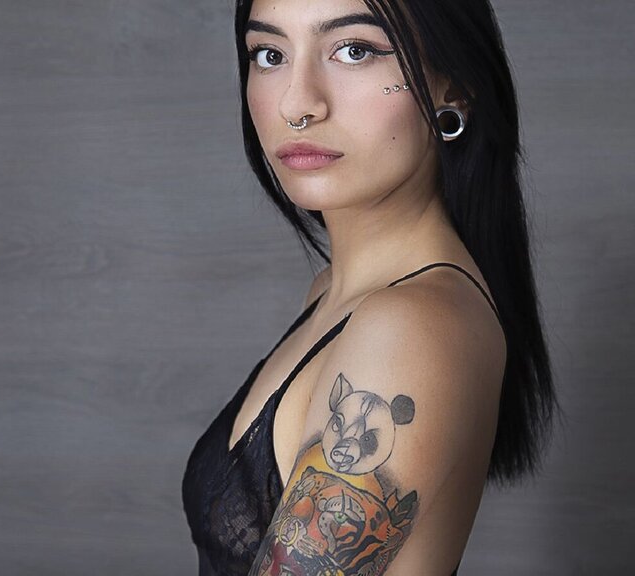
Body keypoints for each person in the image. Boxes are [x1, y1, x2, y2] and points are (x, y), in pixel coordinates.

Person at [182, 0, 561, 573]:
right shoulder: (335, 294)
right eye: (270, 54)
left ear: (455, 87)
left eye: (354, 51)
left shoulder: (408, 328)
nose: (297, 103)